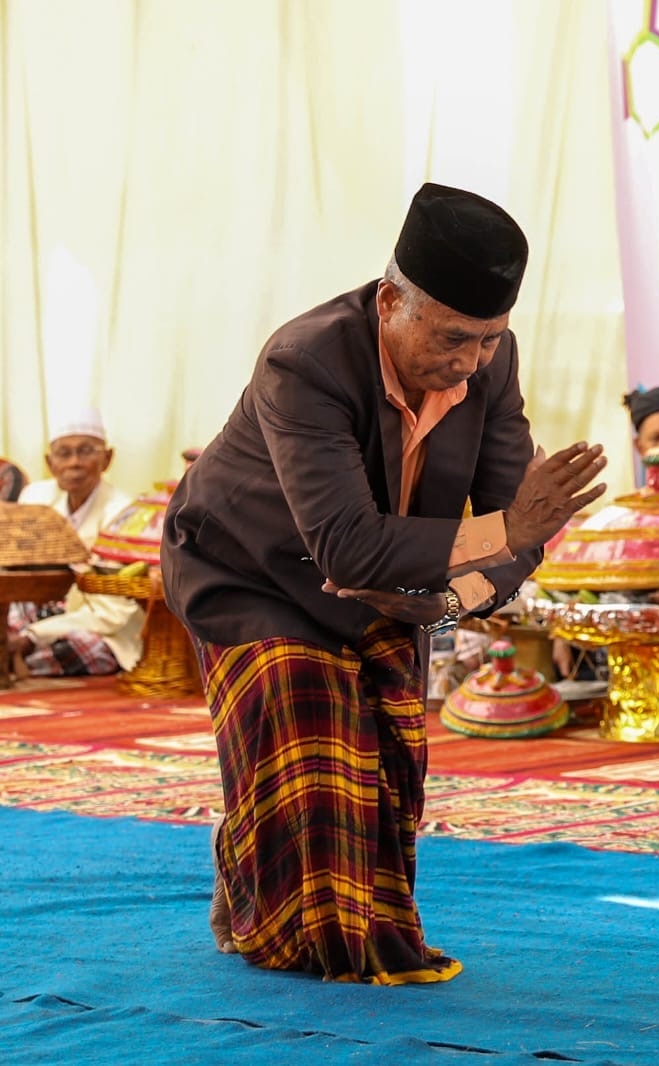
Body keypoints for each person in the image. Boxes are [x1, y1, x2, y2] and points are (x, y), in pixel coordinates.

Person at [161, 183, 607, 984]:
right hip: (250, 569)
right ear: (391, 301)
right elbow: (349, 545)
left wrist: (451, 601)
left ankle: (264, 861)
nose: (469, 363)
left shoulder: (492, 364)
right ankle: (287, 925)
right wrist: (507, 531)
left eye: (489, 340)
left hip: (396, 582)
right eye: (454, 338)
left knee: (386, 757)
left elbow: (519, 533)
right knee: (309, 720)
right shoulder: (305, 360)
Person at [6, 409, 144, 677]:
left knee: (84, 649)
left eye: (86, 451)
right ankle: (15, 654)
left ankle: (16, 654)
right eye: (64, 453)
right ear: (49, 462)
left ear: (107, 458)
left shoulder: (123, 512)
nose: (74, 463)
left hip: (98, 625)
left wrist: (31, 637)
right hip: (37, 612)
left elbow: (112, 614)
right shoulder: (35, 497)